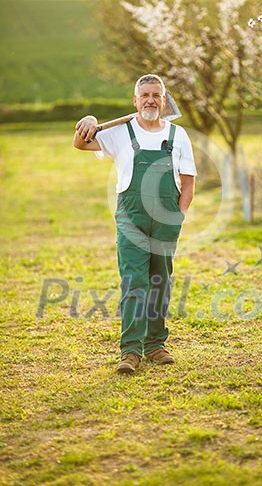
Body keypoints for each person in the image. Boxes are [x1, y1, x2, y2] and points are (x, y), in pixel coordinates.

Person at [73, 74, 196, 374]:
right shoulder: (119, 133)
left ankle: (155, 345)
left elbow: (189, 183)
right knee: (134, 283)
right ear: (135, 100)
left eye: (156, 95)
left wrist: (177, 218)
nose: (151, 100)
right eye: (145, 95)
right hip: (131, 220)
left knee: (160, 283)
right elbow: (80, 143)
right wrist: (88, 120)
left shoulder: (178, 135)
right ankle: (130, 351)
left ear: (164, 100)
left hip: (166, 221)